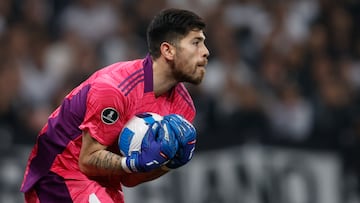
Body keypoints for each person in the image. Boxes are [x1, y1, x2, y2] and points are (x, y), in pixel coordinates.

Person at [20, 8, 209, 203]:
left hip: (103, 183)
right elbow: (88, 160)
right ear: (168, 50)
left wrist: (168, 163)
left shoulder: (183, 109)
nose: (205, 52)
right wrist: (134, 162)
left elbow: (129, 178)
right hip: (59, 172)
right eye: (196, 44)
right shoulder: (115, 89)